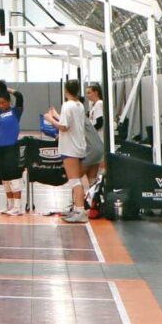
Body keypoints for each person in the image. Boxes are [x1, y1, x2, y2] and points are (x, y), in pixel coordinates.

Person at [44, 77, 91, 224]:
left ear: (66, 90)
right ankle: (78, 210)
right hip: (79, 146)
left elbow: (64, 127)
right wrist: (57, 115)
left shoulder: (67, 105)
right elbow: (69, 122)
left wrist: (49, 119)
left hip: (70, 147)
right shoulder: (79, 105)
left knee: (74, 181)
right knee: (77, 180)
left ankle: (80, 212)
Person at [0, 93, 26, 215]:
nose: (0, 105)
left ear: (9, 101)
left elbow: (20, 97)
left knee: (14, 178)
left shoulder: (15, 112)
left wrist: (6, 88)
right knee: (5, 179)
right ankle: (10, 205)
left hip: (11, 147)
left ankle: (17, 207)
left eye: (3, 102)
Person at [82, 82, 108, 215]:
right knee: (95, 172)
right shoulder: (94, 106)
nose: (87, 95)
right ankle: (94, 198)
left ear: (96, 92)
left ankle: (97, 199)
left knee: (99, 170)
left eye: (89, 92)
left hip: (99, 142)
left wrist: (90, 133)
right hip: (96, 142)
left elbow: (100, 122)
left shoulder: (99, 104)